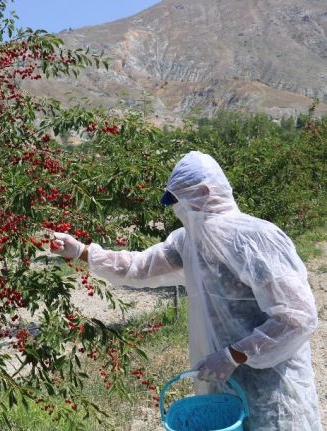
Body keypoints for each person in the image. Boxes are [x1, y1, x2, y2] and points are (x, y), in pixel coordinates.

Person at [51, 151, 321, 430]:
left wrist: (234, 355)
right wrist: (82, 251)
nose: (179, 209)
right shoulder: (189, 242)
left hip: (272, 383)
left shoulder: (255, 239)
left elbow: (298, 317)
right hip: (222, 381)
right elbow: (138, 267)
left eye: (181, 200)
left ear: (205, 192)